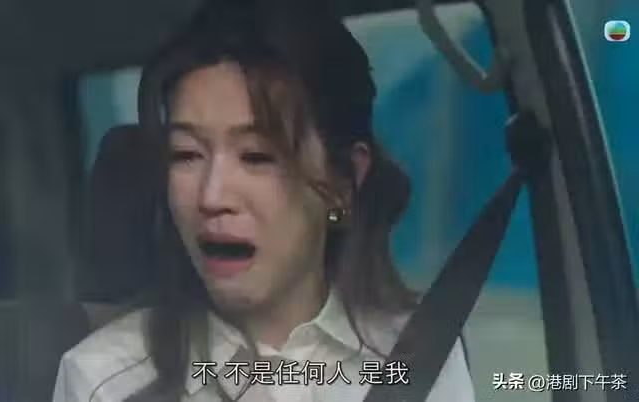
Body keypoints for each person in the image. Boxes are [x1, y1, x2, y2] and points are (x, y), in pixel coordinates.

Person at [52, 0, 475, 401]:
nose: (212, 196)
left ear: (343, 182)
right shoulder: (103, 381)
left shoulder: (421, 350)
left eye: (256, 156)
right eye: (186, 154)